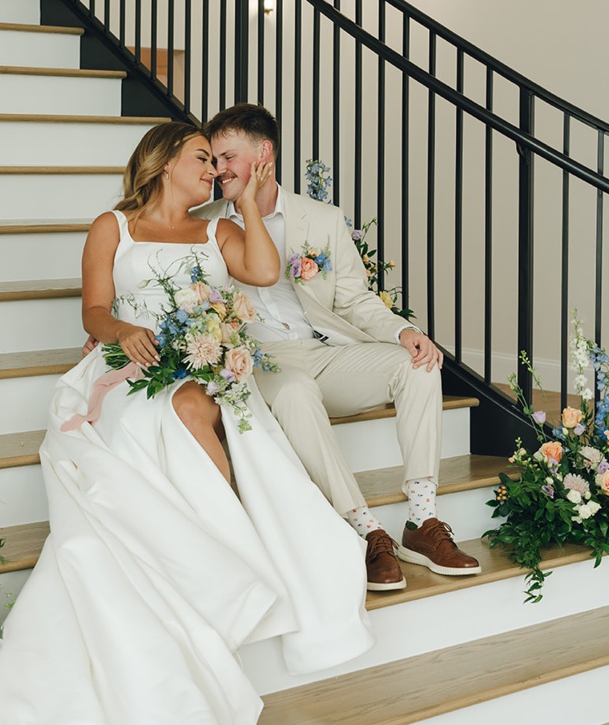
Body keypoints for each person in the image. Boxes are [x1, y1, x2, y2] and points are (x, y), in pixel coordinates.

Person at [0, 122, 373, 725]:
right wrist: (121, 334)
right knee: (171, 409)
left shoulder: (218, 233)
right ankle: (210, 553)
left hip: (203, 368)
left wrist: (249, 205)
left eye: (216, 163)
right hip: (127, 366)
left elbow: (264, 274)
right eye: (202, 159)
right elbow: (93, 309)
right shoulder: (113, 225)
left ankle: (214, 552)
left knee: (199, 402)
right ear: (164, 161)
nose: (211, 170)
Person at [198, 104, 481, 590]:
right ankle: (366, 530)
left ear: (265, 153)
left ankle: (422, 521)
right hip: (258, 362)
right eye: (213, 160)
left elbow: (353, 299)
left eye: (227, 157)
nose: (217, 170)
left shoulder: (321, 219)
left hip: (322, 352)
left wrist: (402, 333)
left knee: (417, 367)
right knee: (294, 392)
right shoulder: (205, 224)